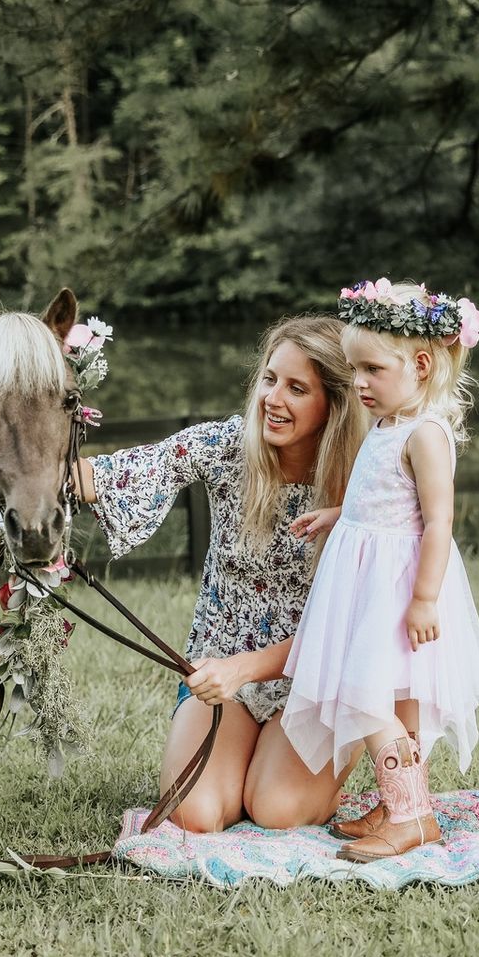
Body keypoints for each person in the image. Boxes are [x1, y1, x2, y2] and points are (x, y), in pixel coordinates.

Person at [72, 317, 368, 831]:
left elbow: (350, 632)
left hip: (317, 684)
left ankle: (303, 769)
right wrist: (15, 466)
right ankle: (253, 756)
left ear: (334, 406)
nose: (273, 398)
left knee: (277, 809)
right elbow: (126, 471)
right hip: (220, 676)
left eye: (297, 388)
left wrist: (242, 670)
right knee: (195, 815)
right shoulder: (232, 447)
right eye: (270, 379)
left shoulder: (364, 480)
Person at [281, 279, 479, 861]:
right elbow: (383, 498)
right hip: (366, 579)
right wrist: (339, 515)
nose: (358, 383)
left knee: (366, 696)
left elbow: (438, 524)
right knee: (399, 703)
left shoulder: (426, 434)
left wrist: (424, 599)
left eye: (372, 369)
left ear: (421, 364)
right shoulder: (389, 423)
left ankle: (414, 817)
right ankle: (399, 801)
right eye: (354, 369)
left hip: (399, 590)